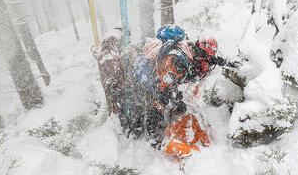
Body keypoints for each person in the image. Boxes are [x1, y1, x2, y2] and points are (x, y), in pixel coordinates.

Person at [95, 24, 238, 157]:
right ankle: (150, 140)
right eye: (205, 58)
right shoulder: (177, 63)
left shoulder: (188, 47)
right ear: (200, 53)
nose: (206, 61)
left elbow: (207, 58)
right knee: (149, 109)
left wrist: (224, 62)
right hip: (137, 79)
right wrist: (177, 103)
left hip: (148, 73)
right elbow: (163, 91)